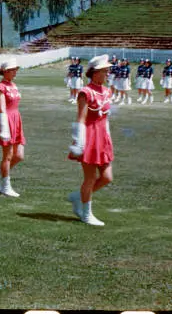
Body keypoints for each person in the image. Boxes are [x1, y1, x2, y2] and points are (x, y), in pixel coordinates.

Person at [66, 54, 114, 226]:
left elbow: (106, 117)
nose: (108, 74)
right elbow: (81, 118)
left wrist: (107, 136)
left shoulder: (107, 91)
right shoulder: (85, 92)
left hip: (102, 136)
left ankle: (78, 197)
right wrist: (79, 142)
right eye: (105, 71)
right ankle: (86, 213)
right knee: (90, 178)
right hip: (89, 136)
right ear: (95, 72)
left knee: (107, 177)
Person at [0, 58, 25, 197]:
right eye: (13, 70)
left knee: (19, 155)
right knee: (7, 156)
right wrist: (4, 128)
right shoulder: (0, 87)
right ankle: (6, 185)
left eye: (16, 70)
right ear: (6, 71)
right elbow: (1, 108)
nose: (15, 72)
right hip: (6, 120)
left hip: (16, 120)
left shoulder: (13, 85)